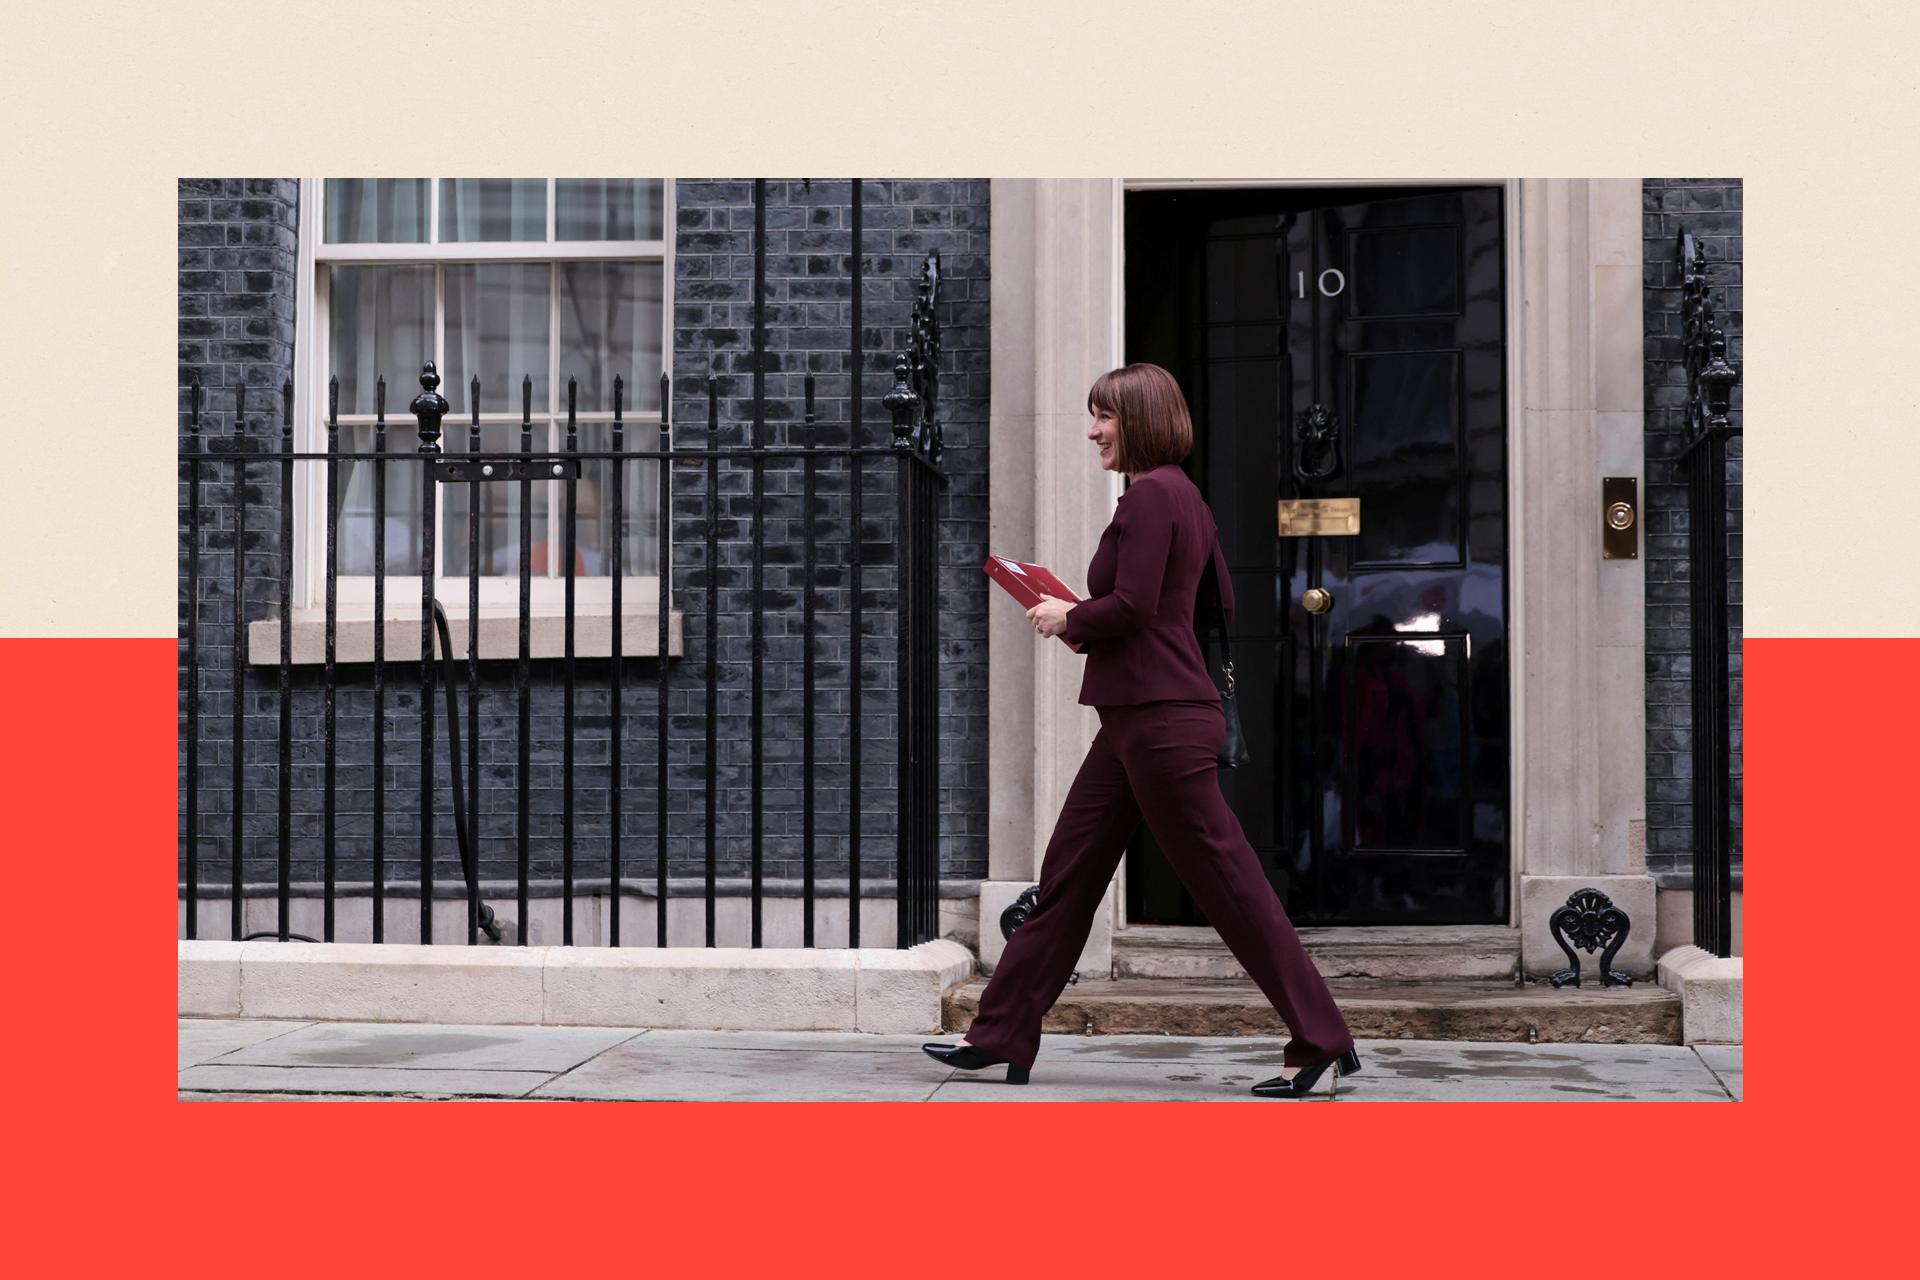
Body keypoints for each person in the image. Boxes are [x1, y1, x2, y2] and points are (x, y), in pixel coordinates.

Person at [922, 363, 1359, 1099]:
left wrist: (1070, 615)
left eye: (1104, 417)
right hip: (1137, 719)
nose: (1092, 430)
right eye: (1093, 416)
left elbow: (1132, 604)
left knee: (1231, 885)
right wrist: (1106, 617)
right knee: (1067, 877)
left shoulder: (1152, 497)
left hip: (1157, 722)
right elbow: (1211, 604)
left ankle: (1320, 1040)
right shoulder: (1184, 498)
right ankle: (1000, 1036)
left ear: (1142, 420)